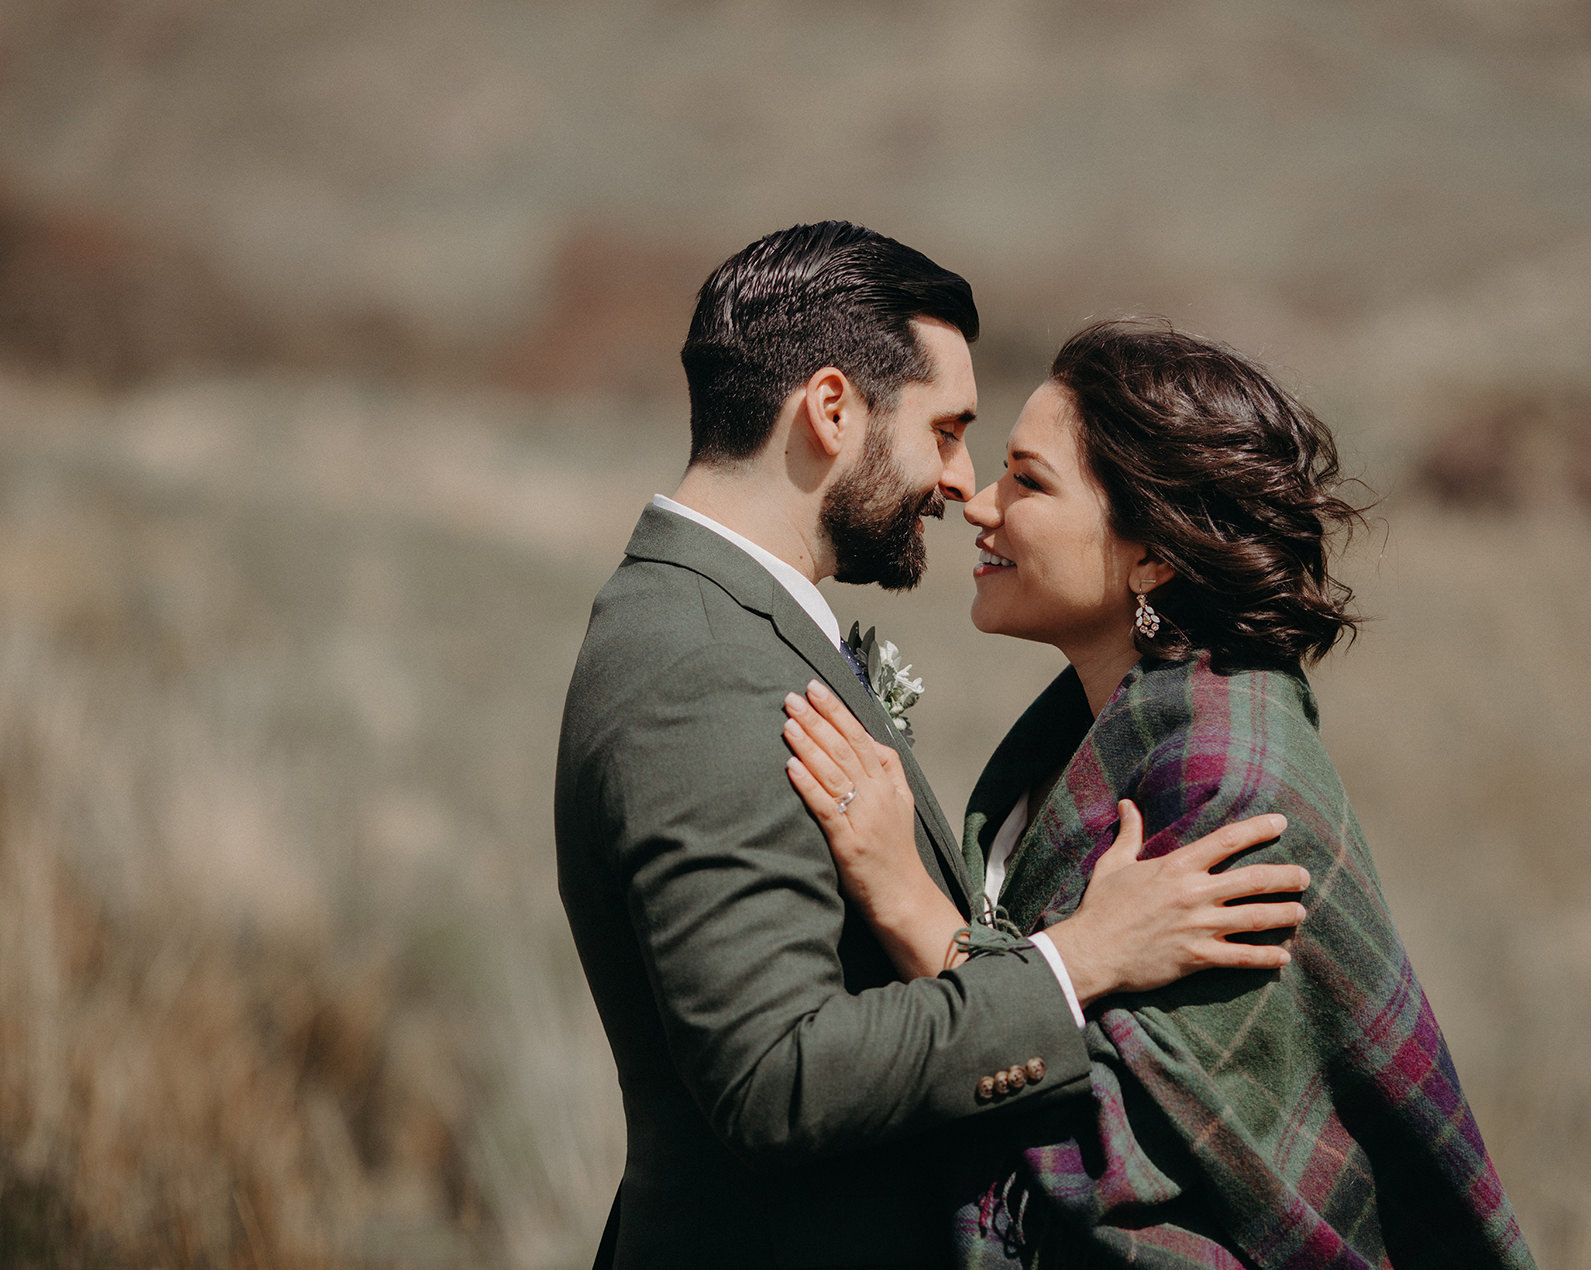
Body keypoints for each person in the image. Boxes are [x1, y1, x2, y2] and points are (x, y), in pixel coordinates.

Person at [555, 225, 1315, 1270]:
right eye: (948, 429)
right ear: (831, 409)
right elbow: (777, 1079)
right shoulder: (698, 663)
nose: (961, 483)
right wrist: (1078, 959)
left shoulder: (723, 626)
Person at [780, 320, 1537, 1268]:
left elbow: (1126, 1158)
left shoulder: (1229, 783)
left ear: (1154, 556)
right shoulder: (1090, 729)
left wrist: (907, 904)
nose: (978, 503)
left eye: (1029, 479)